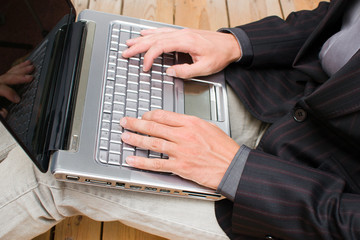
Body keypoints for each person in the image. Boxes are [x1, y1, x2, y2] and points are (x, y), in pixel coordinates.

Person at [1, 0, 360, 239]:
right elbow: (335, 21)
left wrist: (236, 170)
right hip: (283, 95)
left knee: (54, 172)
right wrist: (238, 43)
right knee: (96, 66)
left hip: (302, 194)